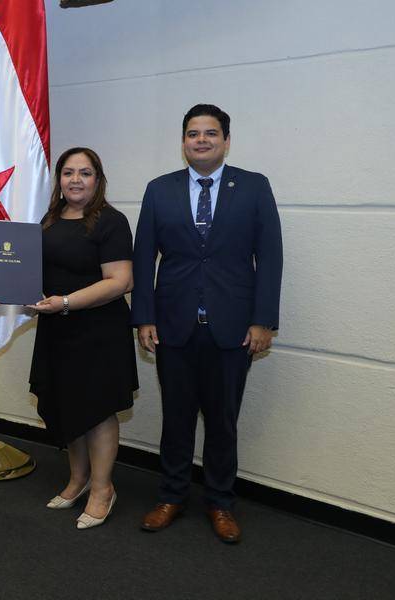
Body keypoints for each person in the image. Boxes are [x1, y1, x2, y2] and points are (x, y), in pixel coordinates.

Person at [131, 104, 283, 543]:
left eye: (210, 133)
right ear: (183, 142)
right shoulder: (159, 190)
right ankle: (171, 496)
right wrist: (144, 317)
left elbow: (270, 257)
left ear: (226, 141)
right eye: (193, 133)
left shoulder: (254, 187)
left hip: (233, 328)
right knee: (176, 418)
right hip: (173, 326)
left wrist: (263, 321)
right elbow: (143, 258)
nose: (201, 140)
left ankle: (220, 502)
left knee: (222, 421)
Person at [29, 147, 138, 530]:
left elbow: (121, 281)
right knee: (66, 404)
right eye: (68, 172)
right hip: (57, 328)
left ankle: (103, 488)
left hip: (98, 330)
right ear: (59, 179)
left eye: (85, 173)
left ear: (98, 180)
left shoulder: (111, 221)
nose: (75, 180)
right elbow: (34, 270)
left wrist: (65, 302)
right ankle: (78, 479)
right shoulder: (49, 219)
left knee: (97, 408)